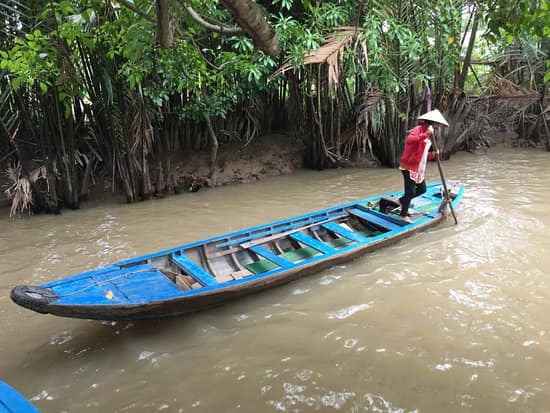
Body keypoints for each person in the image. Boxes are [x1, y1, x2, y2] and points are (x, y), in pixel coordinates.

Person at [398, 109, 449, 223]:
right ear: (429, 123)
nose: (436, 128)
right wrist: (426, 134)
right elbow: (410, 140)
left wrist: (433, 154)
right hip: (408, 166)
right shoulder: (418, 130)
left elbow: (422, 154)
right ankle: (403, 214)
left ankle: (403, 200)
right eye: (436, 126)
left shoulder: (429, 136)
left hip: (418, 168)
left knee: (422, 189)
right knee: (410, 192)